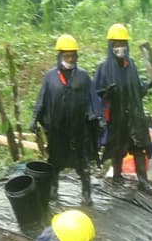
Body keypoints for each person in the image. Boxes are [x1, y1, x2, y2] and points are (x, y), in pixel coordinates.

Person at [29, 34, 101, 207]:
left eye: (73, 55)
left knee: (82, 162)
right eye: (67, 56)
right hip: (57, 128)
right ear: (60, 55)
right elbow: (42, 99)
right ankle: (54, 188)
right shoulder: (50, 77)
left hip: (78, 128)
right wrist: (34, 119)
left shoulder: (83, 76)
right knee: (55, 159)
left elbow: (92, 99)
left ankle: (86, 193)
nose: (70, 59)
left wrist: (97, 118)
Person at [93, 23, 152, 195]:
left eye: (122, 44)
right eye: (116, 44)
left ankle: (143, 180)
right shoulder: (104, 68)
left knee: (139, 146)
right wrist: (106, 93)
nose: (120, 47)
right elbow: (95, 94)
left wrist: (150, 84)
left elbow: (137, 89)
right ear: (110, 46)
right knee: (117, 148)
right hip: (116, 116)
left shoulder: (130, 65)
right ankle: (117, 176)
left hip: (134, 114)